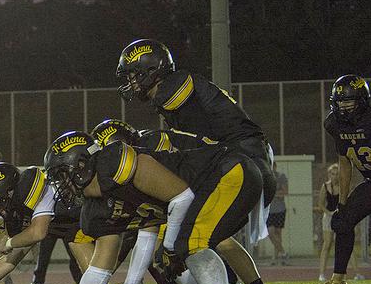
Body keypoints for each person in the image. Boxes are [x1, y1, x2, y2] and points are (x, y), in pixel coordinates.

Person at [41, 130, 262, 284]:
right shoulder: (97, 208)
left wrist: (170, 248)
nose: (61, 184)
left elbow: (183, 196)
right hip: (211, 185)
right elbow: (99, 270)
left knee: (187, 245)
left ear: (81, 165)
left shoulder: (117, 165)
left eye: (62, 174)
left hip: (229, 171)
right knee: (171, 254)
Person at [93, 119, 282, 284]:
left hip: (225, 176)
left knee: (182, 246)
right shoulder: (149, 140)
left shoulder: (149, 147)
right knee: (199, 243)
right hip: (226, 174)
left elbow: (178, 193)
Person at [116, 39, 276, 244]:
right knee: (203, 239)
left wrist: (157, 141)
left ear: (150, 70)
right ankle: (232, 276)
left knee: (190, 239)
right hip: (243, 159)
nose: (131, 82)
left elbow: (197, 142)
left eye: (132, 75)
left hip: (245, 161)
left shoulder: (175, 87)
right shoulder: (171, 95)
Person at [311, 75, 371, 284]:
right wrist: (342, 202)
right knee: (342, 221)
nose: (344, 106)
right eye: (340, 102)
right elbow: (345, 163)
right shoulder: (334, 124)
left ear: (362, 100)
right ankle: (338, 280)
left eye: (349, 101)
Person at [315, 163, 339, 281]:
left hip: (340, 217)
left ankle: (355, 273)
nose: (335, 176)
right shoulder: (325, 186)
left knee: (344, 244)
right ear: (329, 174)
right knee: (327, 244)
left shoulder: (343, 186)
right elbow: (320, 204)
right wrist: (329, 213)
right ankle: (321, 274)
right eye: (333, 174)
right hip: (329, 216)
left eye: (337, 174)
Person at [266, 162, 289, 262]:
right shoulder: (265, 178)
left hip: (280, 208)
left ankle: (276, 257)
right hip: (269, 210)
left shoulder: (281, 177)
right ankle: (283, 252)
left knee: (278, 233)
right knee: (271, 233)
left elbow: (284, 192)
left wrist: (274, 194)